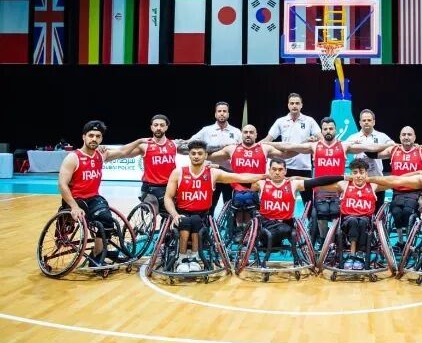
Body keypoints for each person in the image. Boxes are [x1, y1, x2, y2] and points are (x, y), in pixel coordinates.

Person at [270, 117, 388, 242]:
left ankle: (337, 241)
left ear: (335, 130)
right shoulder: (314, 146)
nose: (328, 131)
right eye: (325, 129)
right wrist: (266, 144)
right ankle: (324, 241)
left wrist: (394, 145)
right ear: (321, 130)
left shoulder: (344, 146)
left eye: (331, 128)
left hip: (338, 188)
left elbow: (371, 147)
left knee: (339, 216)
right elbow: (289, 145)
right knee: (321, 217)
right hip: (321, 188)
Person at [163, 140, 267, 273]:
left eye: (200, 153)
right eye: (193, 153)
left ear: (206, 155)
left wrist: (264, 176)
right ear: (188, 155)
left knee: (195, 221)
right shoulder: (178, 172)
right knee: (185, 221)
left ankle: (194, 258)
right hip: (182, 213)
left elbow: (239, 177)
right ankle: (182, 258)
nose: (196, 156)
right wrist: (174, 214)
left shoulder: (213, 173)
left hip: (203, 215)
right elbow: (168, 197)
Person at [57, 120, 148, 264]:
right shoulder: (73, 158)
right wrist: (74, 206)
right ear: (84, 137)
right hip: (76, 200)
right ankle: (97, 255)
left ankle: (97, 255)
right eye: (91, 135)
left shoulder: (100, 155)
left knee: (107, 222)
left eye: (98, 136)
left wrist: (139, 141)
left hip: (93, 198)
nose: (94, 139)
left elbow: (123, 152)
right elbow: (62, 185)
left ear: (101, 139)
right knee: (102, 219)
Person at [249, 157, 345, 265]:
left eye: (280, 170)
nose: (277, 172)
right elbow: (238, 179)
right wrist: (259, 176)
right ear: (269, 170)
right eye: (274, 169)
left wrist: (343, 177)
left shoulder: (293, 184)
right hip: (266, 224)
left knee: (286, 229)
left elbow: (317, 181)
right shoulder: (260, 184)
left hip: (285, 224)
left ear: (285, 171)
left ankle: (295, 256)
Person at [208, 124, 295, 240]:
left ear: (256, 135)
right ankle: (240, 230)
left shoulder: (264, 148)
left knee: (248, 198)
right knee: (240, 198)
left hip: (257, 187)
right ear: (241, 134)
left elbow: (285, 154)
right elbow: (210, 156)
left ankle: (250, 230)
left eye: (251, 132)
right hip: (238, 187)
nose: (248, 134)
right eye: (245, 132)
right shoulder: (232, 148)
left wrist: (307, 148)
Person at [262, 93, 321, 208]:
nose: (294, 106)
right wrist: (254, 145)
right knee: (284, 201)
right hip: (285, 169)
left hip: (304, 168)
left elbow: (321, 139)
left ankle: (311, 226)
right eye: (292, 103)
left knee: (309, 203)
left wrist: (314, 140)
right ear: (288, 105)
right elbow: (267, 140)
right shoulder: (281, 121)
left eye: (297, 103)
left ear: (301, 105)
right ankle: (286, 224)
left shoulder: (309, 121)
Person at [185, 101, 243, 214]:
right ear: (215, 114)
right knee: (209, 206)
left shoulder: (236, 132)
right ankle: (206, 230)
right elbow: (190, 142)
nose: (222, 114)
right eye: (219, 111)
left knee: (231, 207)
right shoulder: (206, 130)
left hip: (229, 174)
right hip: (210, 174)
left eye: (224, 111)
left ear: (228, 114)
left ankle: (231, 231)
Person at [117, 114, 177, 216]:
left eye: (162, 125)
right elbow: (122, 152)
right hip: (151, 188)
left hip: (170, 186)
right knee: (169, 210)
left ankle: (166, 230)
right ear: (151, 127)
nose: (159, 128)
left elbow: (197, 149)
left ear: (166, 127)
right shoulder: (145, 145)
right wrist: (139, 141)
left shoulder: (174, 144)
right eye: (156, 125)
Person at [345, 109, 395, 212]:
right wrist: (359, 146)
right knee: (360, 212)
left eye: (369, 120)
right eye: (364, 120)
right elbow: (344, 149)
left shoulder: (382, 136)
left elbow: (393, 146)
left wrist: (376, 153)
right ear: (360, 123)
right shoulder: (353, 137)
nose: (366, 122)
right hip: (359, 182)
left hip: (377, 180)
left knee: (377, 212)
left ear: (374, 122)